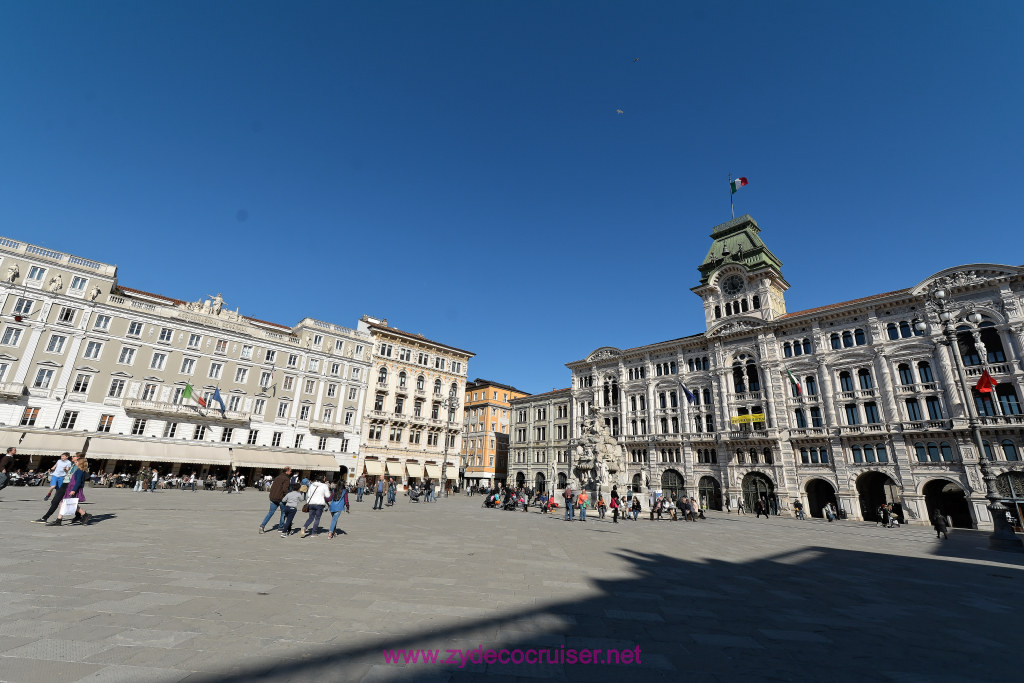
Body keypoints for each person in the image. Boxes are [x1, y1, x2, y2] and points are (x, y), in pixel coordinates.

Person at [46, 454, 92, 526]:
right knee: (64, 502)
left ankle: (84, 514)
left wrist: (73, 490)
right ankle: (59, 520)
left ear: (80, 463)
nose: (75, 462)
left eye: (77, 462)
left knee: (67, 502)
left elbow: (78, 481)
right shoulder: (78, 470)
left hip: (72, 488)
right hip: (70, 487)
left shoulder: (79, 471)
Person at [260, 467, 292, 533]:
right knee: (283, 513)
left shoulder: (277, 477)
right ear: (287, 471)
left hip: (273, 497)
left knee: (270, 513)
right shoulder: (286, 478)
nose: (291, 472)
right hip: (281, 498)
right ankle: (280, 528)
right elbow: (285, 489)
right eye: (290, 471)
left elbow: (273, 487)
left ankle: (262, 526)